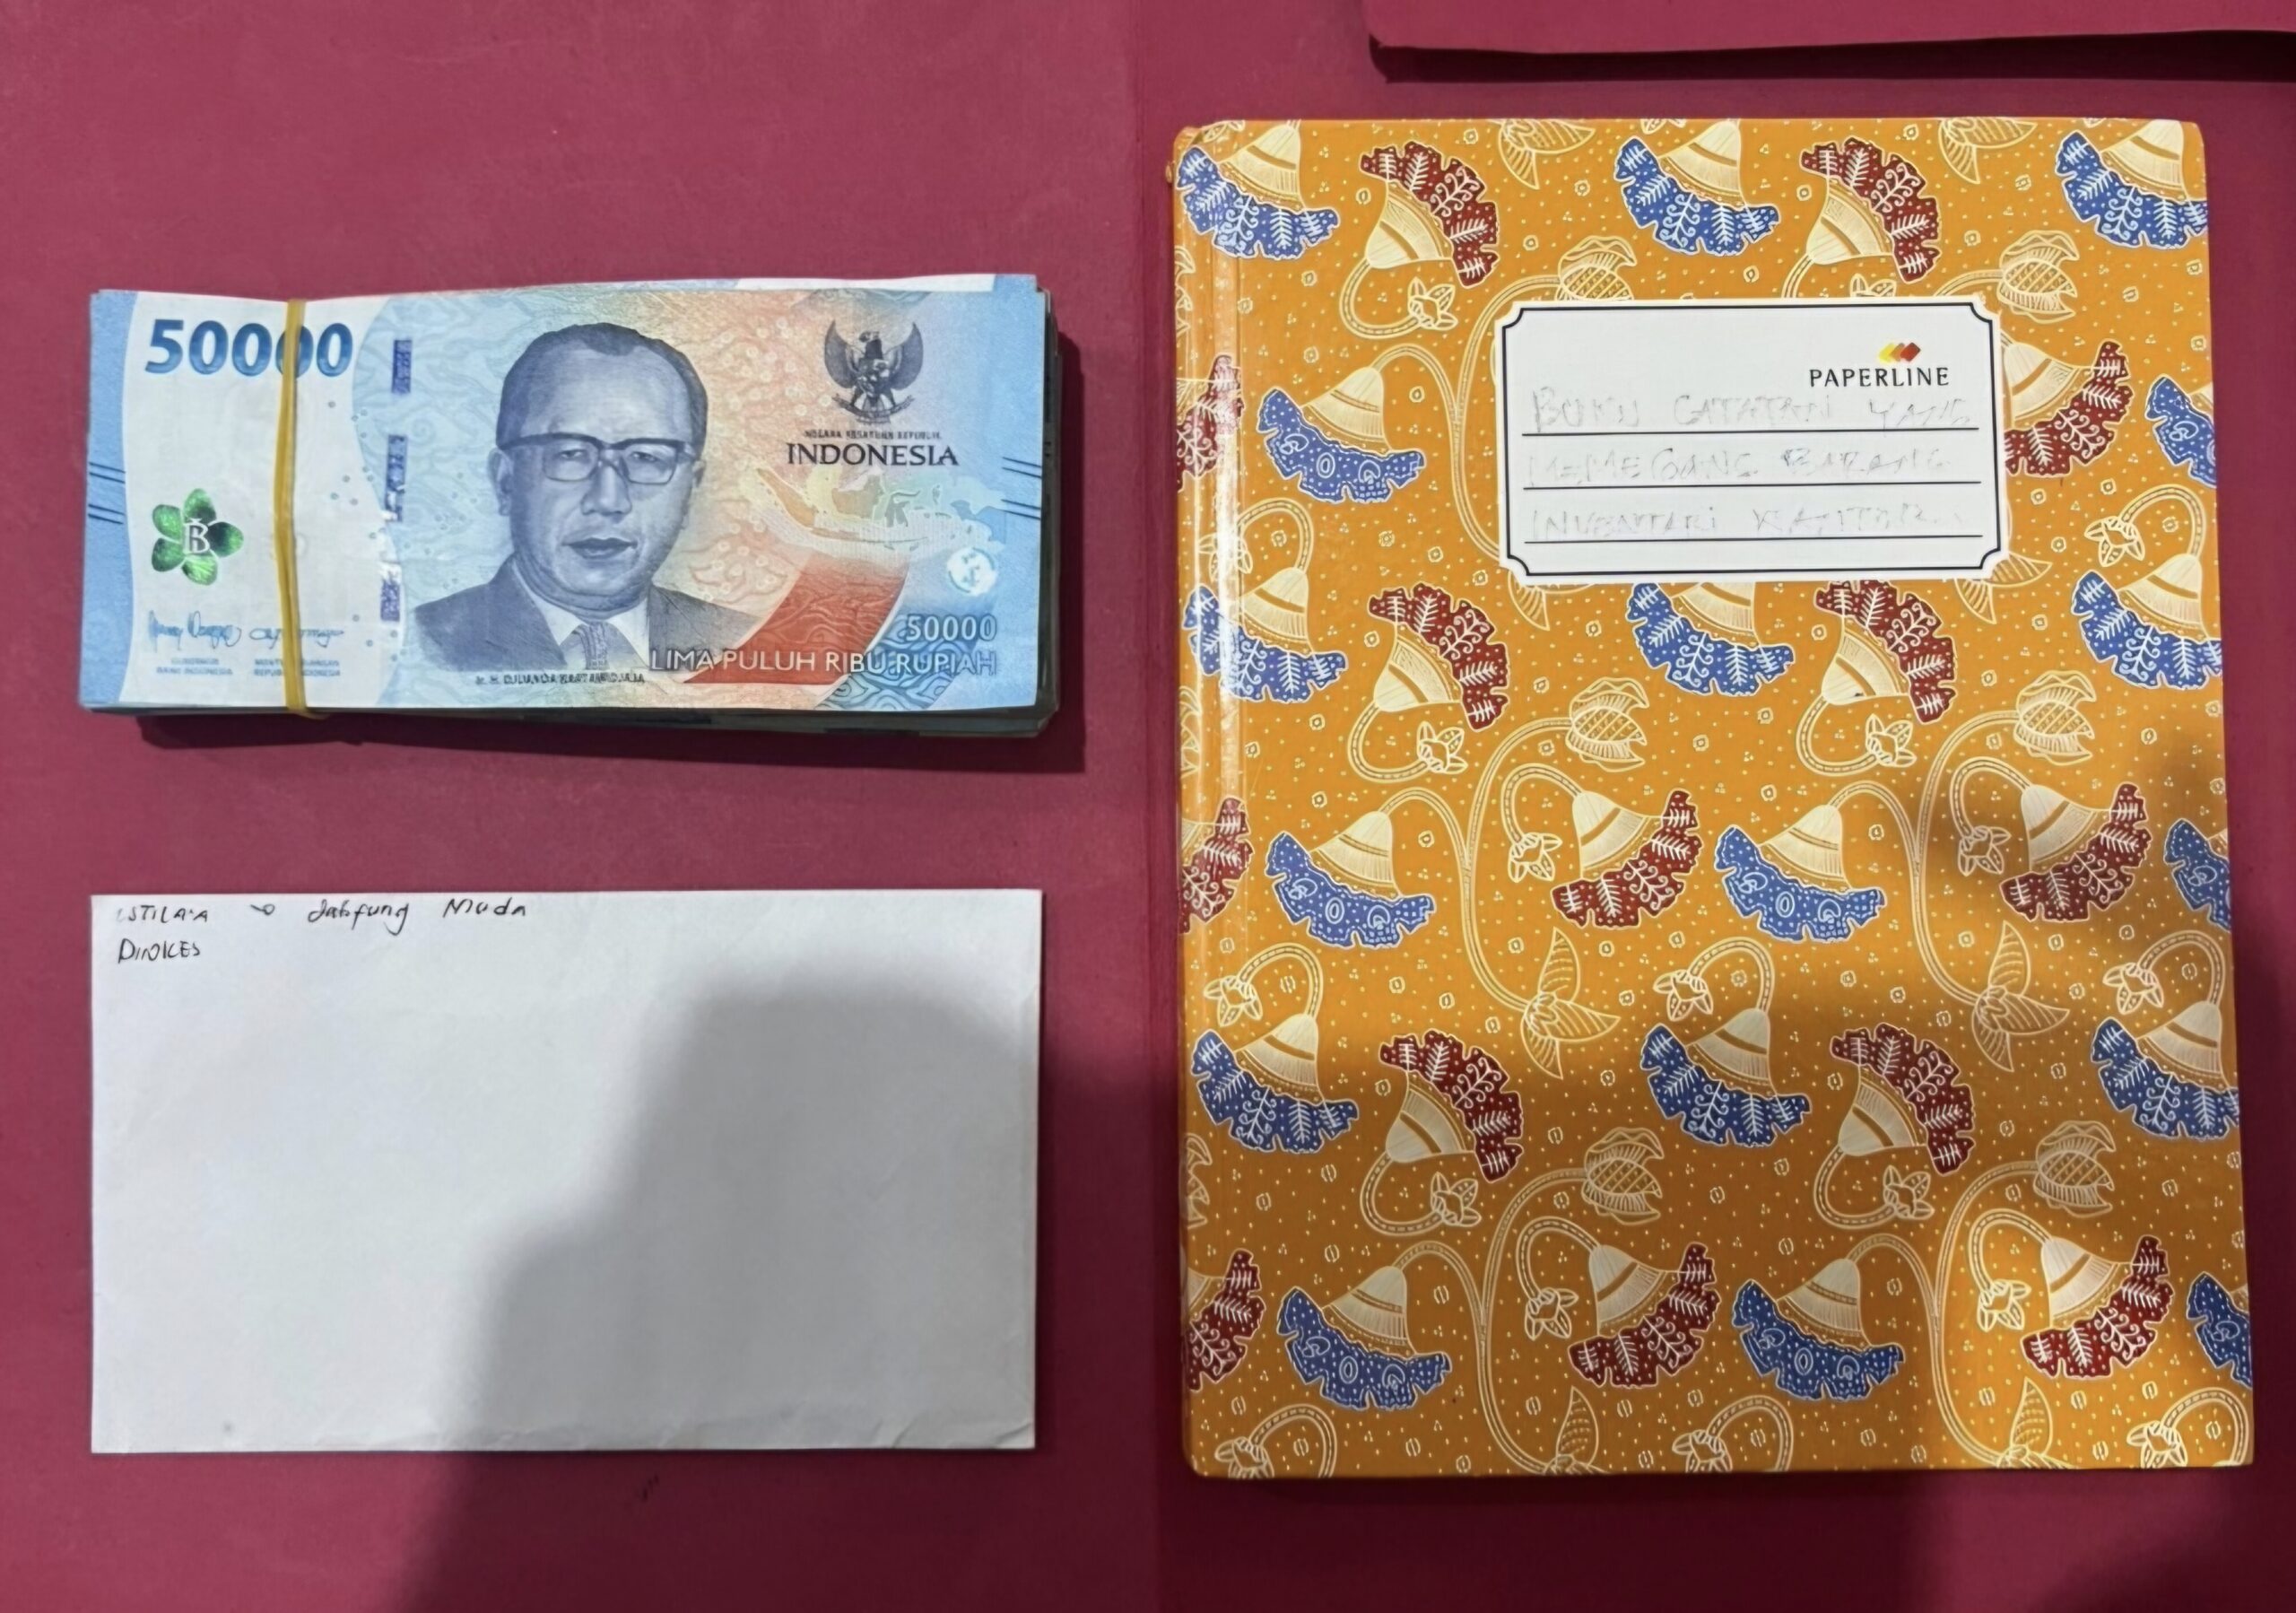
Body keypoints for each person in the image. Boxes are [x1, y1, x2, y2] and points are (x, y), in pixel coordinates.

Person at [413, 323, 755, 671]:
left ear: (691, 491)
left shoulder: (742, 641)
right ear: (505, 481)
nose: (608, 500)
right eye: (570, 453)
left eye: (646, 457)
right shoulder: (424, 644)